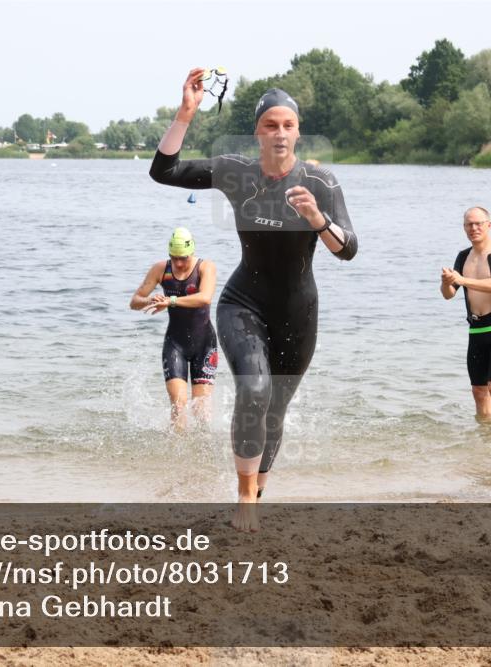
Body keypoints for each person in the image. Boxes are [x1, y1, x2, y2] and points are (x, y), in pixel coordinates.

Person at [150, 69, 358, 530]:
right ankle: (244, 498)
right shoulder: (236, 172)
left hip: (299, 311)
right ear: (257, 131)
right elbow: (163, 171)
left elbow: (349, 249)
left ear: (298, 130)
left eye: (287, 125)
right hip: (243, 303)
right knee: (254, 389)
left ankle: (257, 488)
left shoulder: (321, 181)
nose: (279, 133)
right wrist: (186, 113)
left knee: (275, 409)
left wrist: (318, 219)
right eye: (270, 125)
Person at [130, 228, 218, 431]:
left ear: (192, 252)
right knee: (178, 406)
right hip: (175, 344)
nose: (178, 263)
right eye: (174, 258)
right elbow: (134, 302)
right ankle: (176, 455)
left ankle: (202, 454)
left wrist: (170, 301)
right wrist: (150, 300)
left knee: (201, 411)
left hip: (205, 344)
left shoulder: (206, 267)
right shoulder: (161, 269)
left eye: (183, 258)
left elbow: (204, 298)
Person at [440, 206, 491, 423]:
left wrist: (462, 280)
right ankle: (485, 440)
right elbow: (448, 295)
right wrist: (447, 282)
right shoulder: (463, 256)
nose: (474, 228)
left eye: (478, 223)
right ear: (464, 228)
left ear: (488, 225)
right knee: (478, 391)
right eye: (469, 224)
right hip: (477, 329)